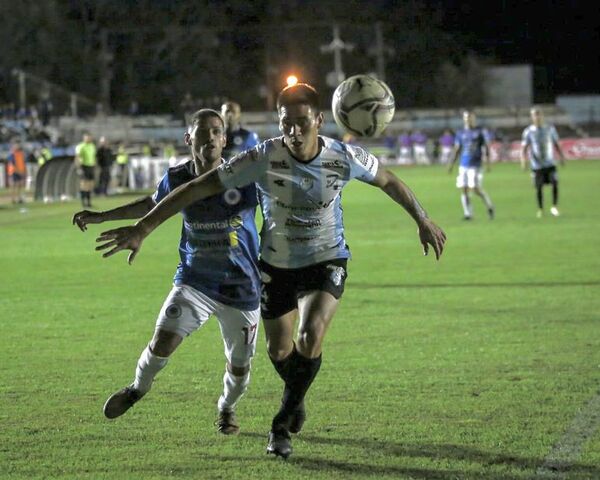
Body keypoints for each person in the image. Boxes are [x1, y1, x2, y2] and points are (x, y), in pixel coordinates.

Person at [94, 83, 446, 459]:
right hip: (277, 265)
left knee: (310, 337)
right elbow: (200, 186)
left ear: (319, 120)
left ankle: (280, 424)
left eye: (302, 123)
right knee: (279, 351)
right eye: (286, 124)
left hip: (327, 259)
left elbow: (389, 180)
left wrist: (422, 219)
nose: (294, 132)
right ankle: (297, 396)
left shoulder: (343, 156)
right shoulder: (262, 156)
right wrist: (144, 227)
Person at [72, 109, 261, 434]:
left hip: (243, 286)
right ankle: (136, 388)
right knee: (163, 339)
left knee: (240, 366)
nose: (210, 138)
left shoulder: (244, 176)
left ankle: (227, 407)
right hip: (195, 280)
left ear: (225, 139)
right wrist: (104, 217)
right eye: (202, 132)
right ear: (189, 139)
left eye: (216, 132)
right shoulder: (177, 177)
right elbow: (152, 204)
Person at [447, 110, 495, 220]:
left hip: (475, 165)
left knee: (475, 188)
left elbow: (486, 147)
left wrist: (488, 163)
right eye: (466, 117)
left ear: (474, 118)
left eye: (470, 117)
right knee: (464, 189)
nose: (468, 119)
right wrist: (451, 164)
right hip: (463, 165)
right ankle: (468, 213)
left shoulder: (480, 131)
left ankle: (489, 206)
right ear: (464, 119)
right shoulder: (460, 133)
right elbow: (457, 149)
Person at [520, 106, 566, 218]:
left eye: (539, 114)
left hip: (550, 163)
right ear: (532, 117)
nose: (537, 117)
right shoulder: (528, 131)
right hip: (537, 166)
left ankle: (554, 207)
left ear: (542, 116)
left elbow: (556, 143)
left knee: (555, 183)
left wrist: (561, 157)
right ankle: (540, 209)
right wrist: (523, 161)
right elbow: (524, 148)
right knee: (538, 187)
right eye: (535, 115)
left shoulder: (550, 129)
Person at [74, 132, 97, 208]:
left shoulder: (92, 146)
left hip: (91, 167)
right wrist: (78, 168)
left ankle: (89, 203)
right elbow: (77, 157)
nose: (88, 139)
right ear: (84, 138)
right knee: (84, 185)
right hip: (84, 166)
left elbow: (93, 157)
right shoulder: (81, 146)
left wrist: (95, 165)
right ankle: (83, 203)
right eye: (86, 137)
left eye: (89, 137)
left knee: (90, 185)